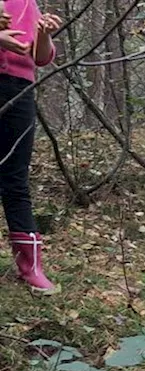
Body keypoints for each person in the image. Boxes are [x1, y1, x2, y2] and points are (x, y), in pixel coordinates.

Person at [2, 1, 61, 293]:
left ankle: (31, 266)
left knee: (15, 177)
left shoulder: (28, 3)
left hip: (20, 89)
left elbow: (40, 58)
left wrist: (44, 33)